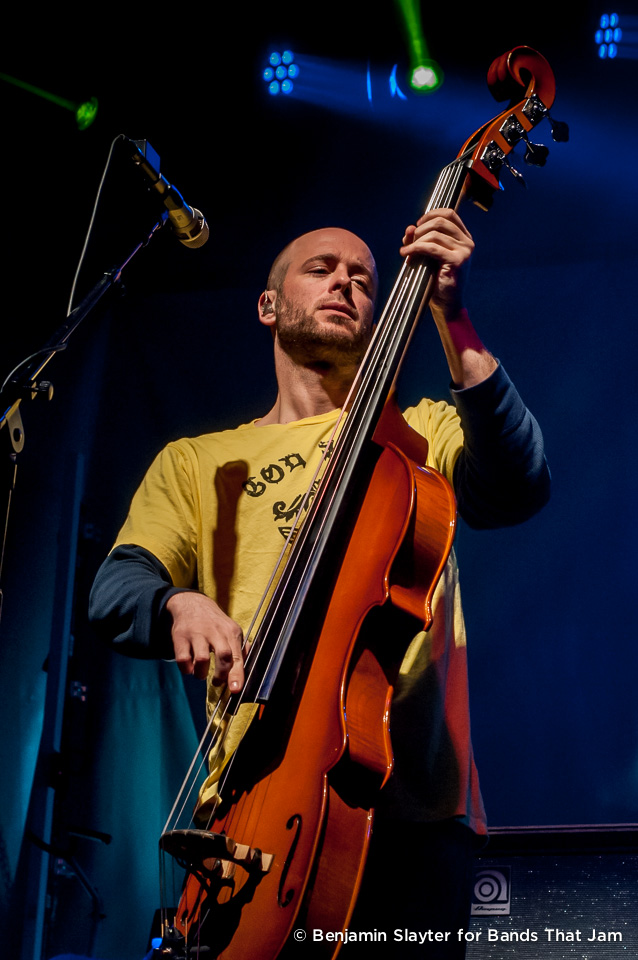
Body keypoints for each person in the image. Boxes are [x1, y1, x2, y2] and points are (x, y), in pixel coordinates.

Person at [90, 209, 550, 956]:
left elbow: (518, 483)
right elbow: (116, 589)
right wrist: (179, 600)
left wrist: (453, 317)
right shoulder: (198, 462)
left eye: (364, 279)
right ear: (268, 306)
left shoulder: (421, 433)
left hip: (410, 819)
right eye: (321, 269)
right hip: (254, 808)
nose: (345, 282)